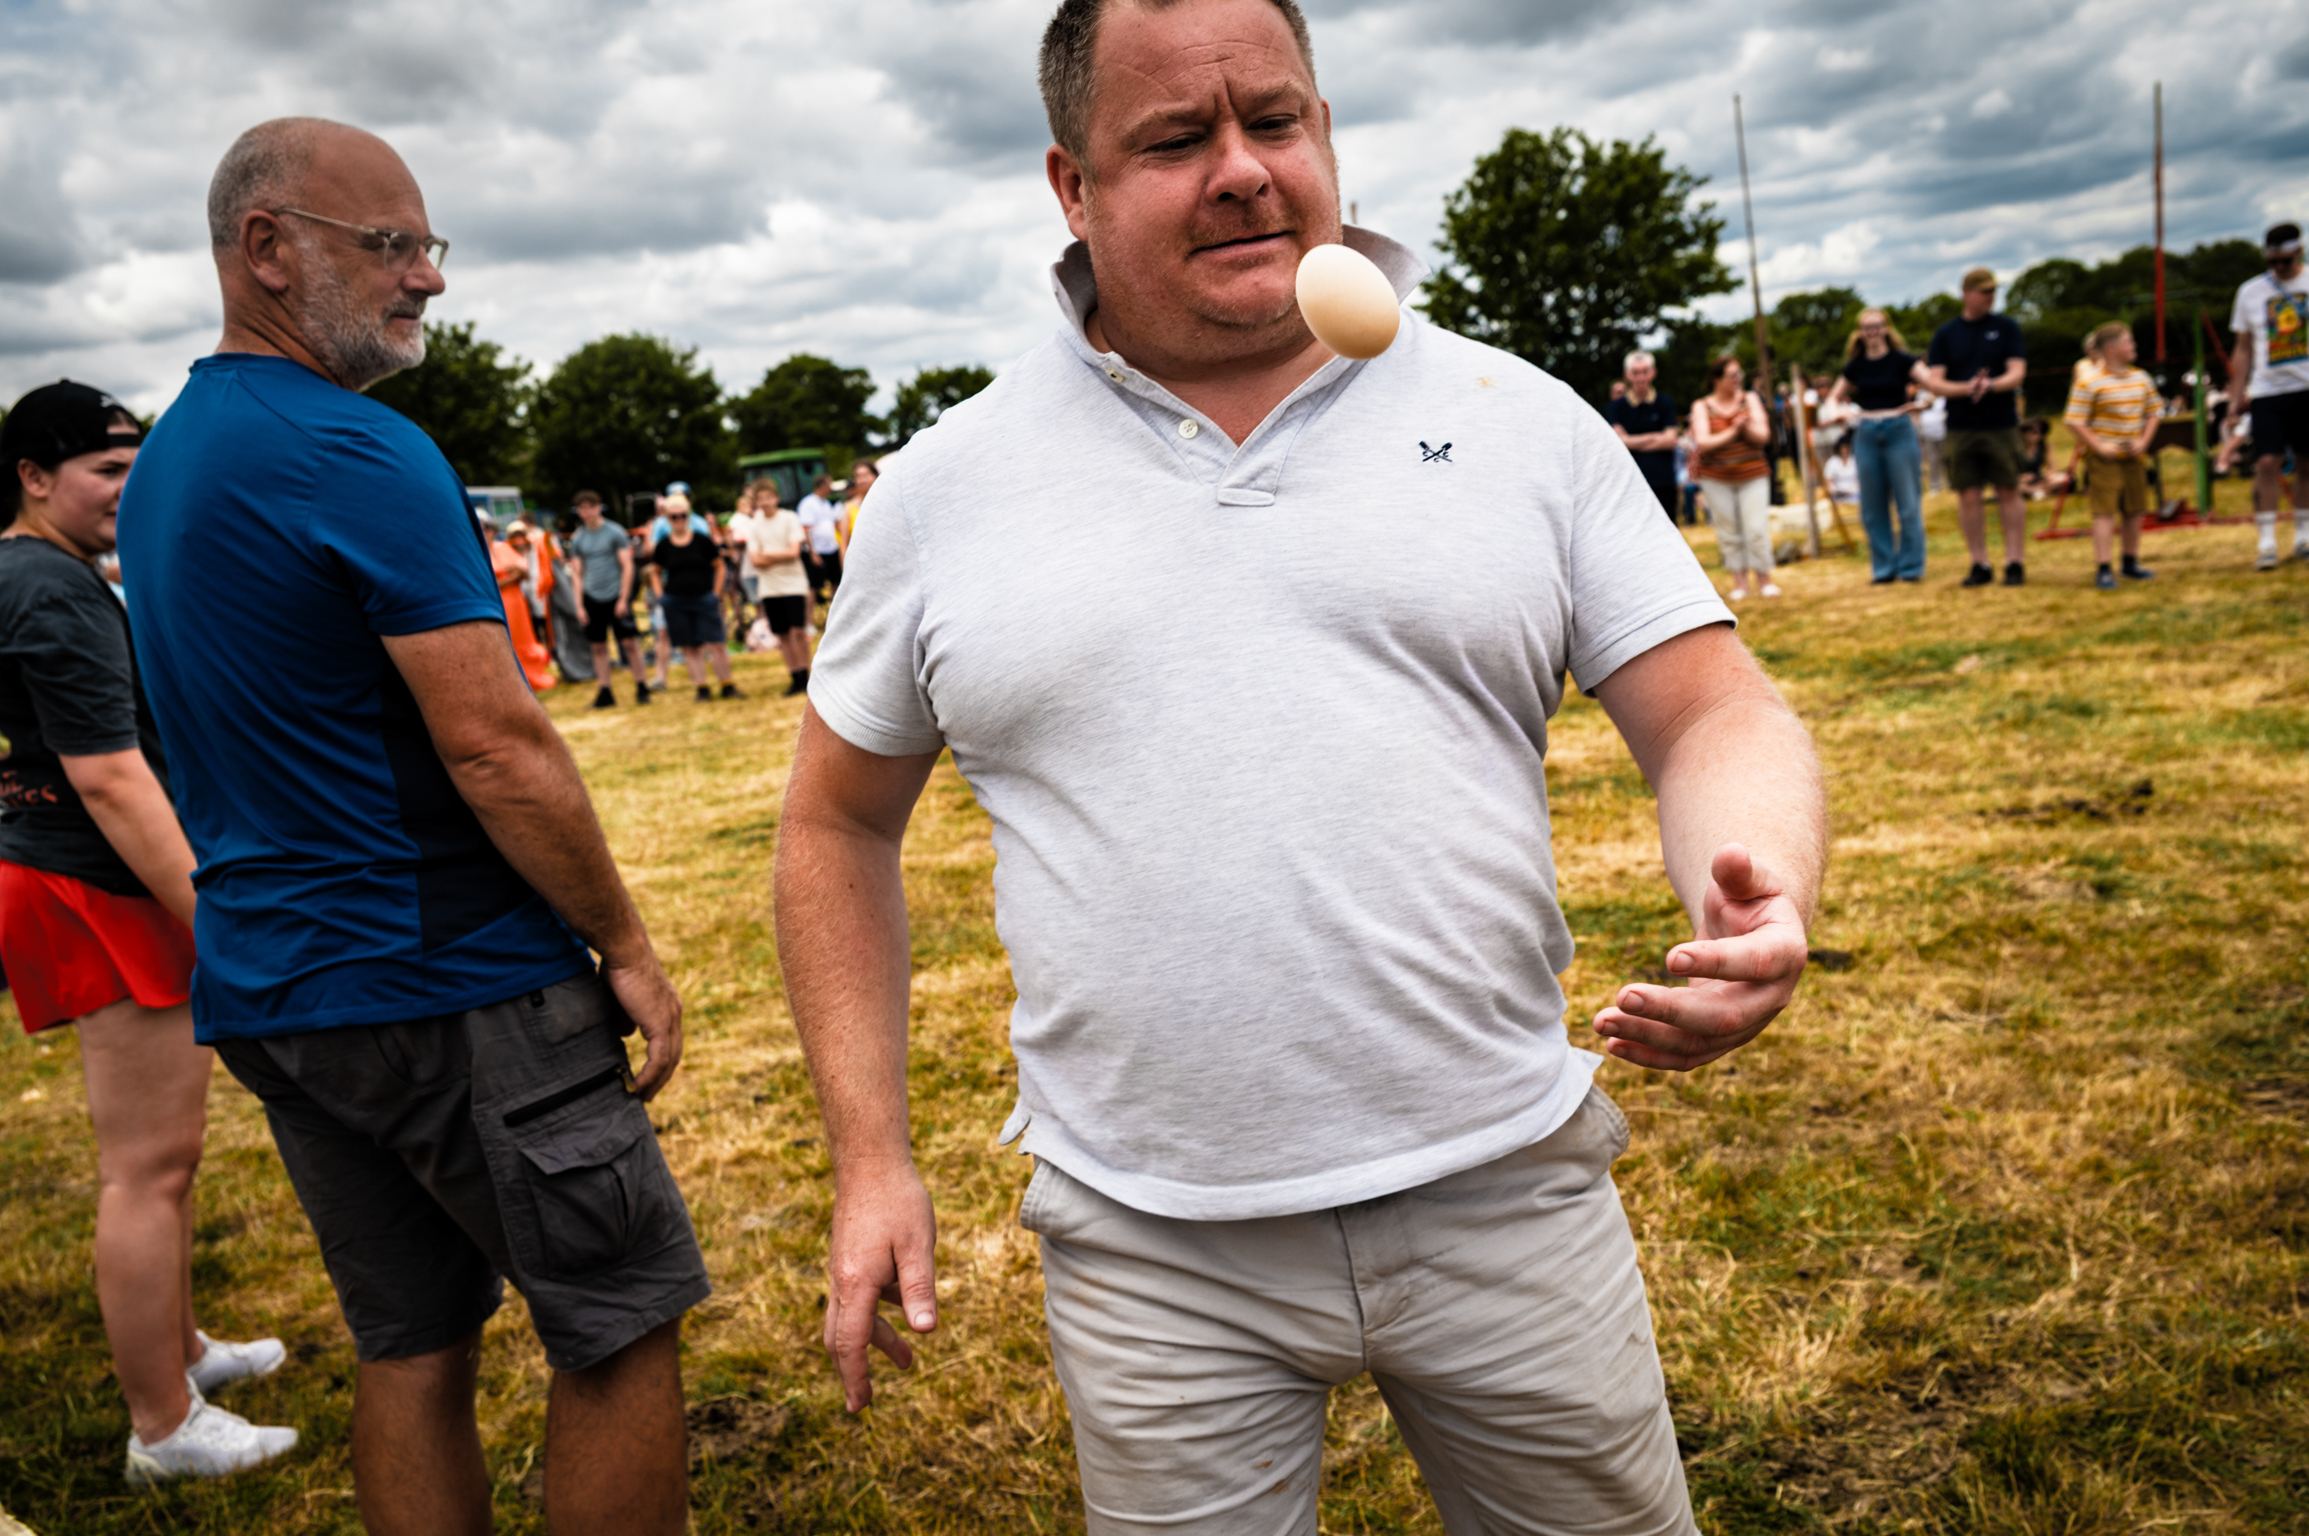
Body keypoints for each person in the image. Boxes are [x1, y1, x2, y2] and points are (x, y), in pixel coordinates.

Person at [773, 3, 1826, 1530]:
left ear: (1326, 132)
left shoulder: (1512, 417)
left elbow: (1712, 711)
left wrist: (1761, 887)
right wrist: (870, 1155)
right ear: (1071, 187)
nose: (1244, 172)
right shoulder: (947, 488)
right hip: (1148, 1248)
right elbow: (832, 822)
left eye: (1275, 121)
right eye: (1175, 140)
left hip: (1505, 1185)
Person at [116, 117, 707, 1536]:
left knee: (412, 1344)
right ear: (265, 248)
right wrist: (623, 940)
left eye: (429, 247)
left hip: (279, 989)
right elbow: (498, 744)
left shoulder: (170, 461)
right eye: (391, 246)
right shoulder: (357, 448)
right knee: (618, 1324)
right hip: (449, 981)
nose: (428, 280)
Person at [1, 382, 299, 1484]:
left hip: (75, 877)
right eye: (107, 473)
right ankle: (163, 1427)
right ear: (33, 476)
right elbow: (111, 777)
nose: (131, 493)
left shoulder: (39, 572)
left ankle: (179, 1355)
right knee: (147, 1170)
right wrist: (217, 919)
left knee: (162, 1163)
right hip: (98, 887)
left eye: (137, 467)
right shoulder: (49, 587)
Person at [1924, 268, 2030, 586]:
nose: (1989, 297)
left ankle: (2014, 561)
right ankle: (1979, 562)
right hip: (1961, 425)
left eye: (1992, 292)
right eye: (1983, 292)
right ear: (1966, 293)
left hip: (2001, 422)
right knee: (1968, 494)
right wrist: (1967, 388)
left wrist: (1992, 385)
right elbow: (1935, 381)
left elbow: (2017, 372)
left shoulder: (2006, 328)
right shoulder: (1946, 334)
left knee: (2008, 490)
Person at [2228, 222, 2309, 569]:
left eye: (2286, 262)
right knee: (2266, 462)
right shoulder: (2250, 292)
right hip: (2267, 391)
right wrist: (2235, 398)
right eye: (2273, 261)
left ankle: (2304, 534)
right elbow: (2243, 348)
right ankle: (2266, 542)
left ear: (2300, 253)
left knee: (2307, 462)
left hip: (2306, 387)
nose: (2279, 268)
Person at [1825, 309, 1928, 583]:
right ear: (1860, 332)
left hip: (1899, 429)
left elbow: (1933, 383)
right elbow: (1833, 398)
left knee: (1907, 502)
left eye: (1877, 326)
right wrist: (1838, 411)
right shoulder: (1856, 365)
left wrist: (1923, 403)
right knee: (1872, 506)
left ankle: (1910, 567)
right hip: (1867, 432)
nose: (1872, 332)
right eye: (1866, 327)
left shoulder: (1903, 360)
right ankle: (1883, 568)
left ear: (1886, 328)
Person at [2065, 322, 2161, 590]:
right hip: (2104, 458)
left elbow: (2154, 411)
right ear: (2111, 348)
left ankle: (2130, 561)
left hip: (2133, 454)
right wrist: (2098, 446)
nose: (2134, 346)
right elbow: (2073, 419)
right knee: (2104, 511)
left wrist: (2144, 441)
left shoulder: (2141, 378)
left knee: (2134, 508)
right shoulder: (2090, 381)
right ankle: (2104, 567)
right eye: (2128, 342)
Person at [1692, 355, 1778, 598]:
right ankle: (1740, 584)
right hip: (1715, 476)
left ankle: (1765, 580)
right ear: (1717, 380)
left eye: (1740, 374)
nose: (1738, 380)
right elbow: (1703, 442)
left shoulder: (1750, 399)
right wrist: (1733, 431)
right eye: (1732, 376)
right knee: (1728, 530)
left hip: (1753, 473)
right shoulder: (1702, 406)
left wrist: (1746, 428)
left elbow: (1763, 436)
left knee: (1756, 528)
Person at [648, 503, 741, 701]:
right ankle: (702, 688)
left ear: (688, 516)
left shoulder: (702, 541)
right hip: (676, 601)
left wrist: (715, 594)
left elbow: (720, 566)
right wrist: (661, 596)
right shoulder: (663, 546)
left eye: (682, 515)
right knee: (690, 646)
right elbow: (654, 571)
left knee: (716, 643)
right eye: (674, 516)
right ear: (668, 519)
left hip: (703, 599)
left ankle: (727, 685)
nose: (679, 519)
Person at [568, 490, 651, 707]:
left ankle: (642, 686)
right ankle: (605, 691)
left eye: (590, 507)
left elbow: (627, 566)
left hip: (615, 594)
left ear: (598, 507)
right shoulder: (578, 539)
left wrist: (624, 598)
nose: (587, 513)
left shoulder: (615, 532)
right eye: (582, 509)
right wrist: (579, 604)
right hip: (591, 597)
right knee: (597, 646)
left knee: (629, 643)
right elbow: (577, 574)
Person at [743, 479, 813, 695]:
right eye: (759, 499)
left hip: (793, 584)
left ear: (776, 498)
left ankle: (807, 675)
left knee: (798, 631)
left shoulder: (789, 518)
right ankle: (795, 676)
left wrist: (767, 554)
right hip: (770, 587)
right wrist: (778, 554)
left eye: (767, 497)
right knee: (782, 634)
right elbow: (755, 560)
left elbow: (794, 552)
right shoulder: (754, 525)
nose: (764, 502)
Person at [1606, 351, 1681, 523]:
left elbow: (1671, 441)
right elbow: (1619, 443)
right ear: (1627, 375)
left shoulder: (1665, 402)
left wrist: (1632, 441)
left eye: (1645, 371)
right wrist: (1657, 437)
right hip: (1630, 482)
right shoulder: (1616, 407)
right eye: (1635, 372)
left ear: (1653, 372)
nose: (1641, 377)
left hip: (1664, 481)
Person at [491, 521, 557, 691]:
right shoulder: (480, 552)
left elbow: (524, 572)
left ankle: (535, 670)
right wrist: (512, 577)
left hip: (518, 602)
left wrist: (514, 575)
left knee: (527, 635)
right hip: (500, 603)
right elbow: (493, 583)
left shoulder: (503, 548)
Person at [796, 473, 844, 605]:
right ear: (822, 486)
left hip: (831, 548)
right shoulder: (808, 503)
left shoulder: (826, 502)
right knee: (814, 586)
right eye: (829, 485)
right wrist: (813, 553)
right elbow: (806, 530)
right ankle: (809, 622)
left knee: (836, 582)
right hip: (818, 550)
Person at [1916, 392, 1949, 495]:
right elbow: (1918, 410)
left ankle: (1950, 484)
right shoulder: (1921, 395)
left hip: (1944, 433)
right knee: (1933, 460)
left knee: (1947, 459)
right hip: (1928, 434)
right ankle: (1935, 486)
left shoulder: (1943, 396)